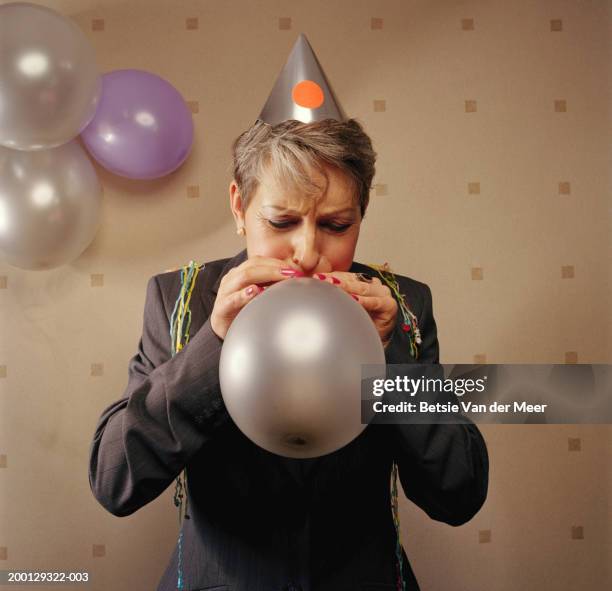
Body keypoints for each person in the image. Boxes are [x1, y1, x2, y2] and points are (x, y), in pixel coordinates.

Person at [88, 36, 489, 591]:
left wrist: (390, 358)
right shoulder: (181, 300)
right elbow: (115, 483)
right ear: (239, 207)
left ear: (361, 216)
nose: (306, 252)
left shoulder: (404, 308)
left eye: (335, 225)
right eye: (280, 223)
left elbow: (460, 494)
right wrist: (214, 344)